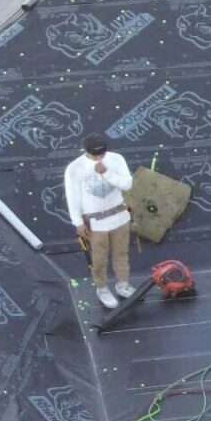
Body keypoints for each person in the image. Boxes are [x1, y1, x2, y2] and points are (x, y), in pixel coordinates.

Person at [64, 130, 135, 309]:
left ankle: (123, 284)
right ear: (86, 151)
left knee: (121, 254)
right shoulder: (75, 167)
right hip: (96, 222)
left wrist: (106, 173)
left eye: (102, 154)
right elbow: (72, 197)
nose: (99, 158)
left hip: (119, 216)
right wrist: (78, 222)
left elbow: (127, 184)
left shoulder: (116, 159)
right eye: (95, 155)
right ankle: (102, 288)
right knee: (99, 259)